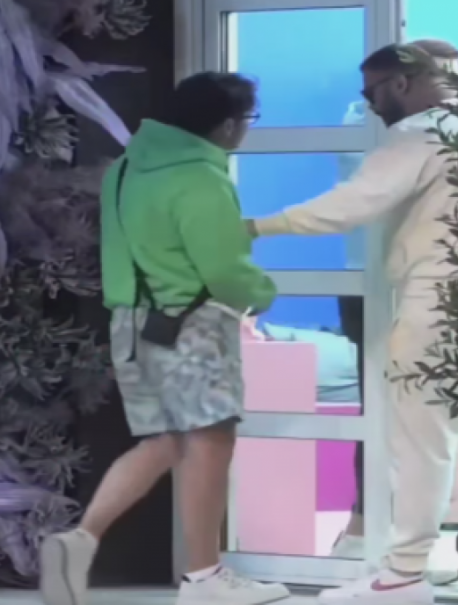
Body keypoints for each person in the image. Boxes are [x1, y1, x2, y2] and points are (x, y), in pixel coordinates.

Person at [245, 40, 458, 605]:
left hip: (433, 301)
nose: (368, 106)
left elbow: (351, 205)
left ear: (402, 83)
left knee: (419, 442)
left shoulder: (417, 135)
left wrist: (258, 226)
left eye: (372, 93)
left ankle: (404, 575)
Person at [40, 72, 289, 605]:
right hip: (190, 326)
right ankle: (204, 578)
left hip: (131, 326)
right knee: (210, 442)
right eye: (247, 120)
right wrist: (261, 294)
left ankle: (81, 538)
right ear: (227, 124)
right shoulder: (201, 177)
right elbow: (224, 269)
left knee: (164, 442)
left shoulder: (126, 168)